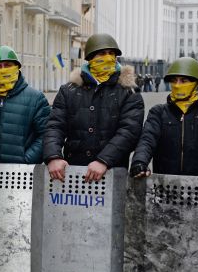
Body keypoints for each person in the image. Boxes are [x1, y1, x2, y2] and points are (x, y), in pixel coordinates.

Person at [43, 33, 144, 182]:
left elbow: (129, 131)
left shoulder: (129, 92)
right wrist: (53, 156)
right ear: (90, 58)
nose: (108, 57)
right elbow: (55, 126)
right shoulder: (69, 90)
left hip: (111, 174)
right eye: (102, 53)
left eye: (112, 54)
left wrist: (104, 160)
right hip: (72, 173)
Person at [129, 57, 198, 182]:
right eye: (174, 81)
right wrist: (139, 162)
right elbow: (147, 140)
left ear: (196, 83)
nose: (177, 85)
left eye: (183, 81)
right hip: (164, 184)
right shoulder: (158, 113)